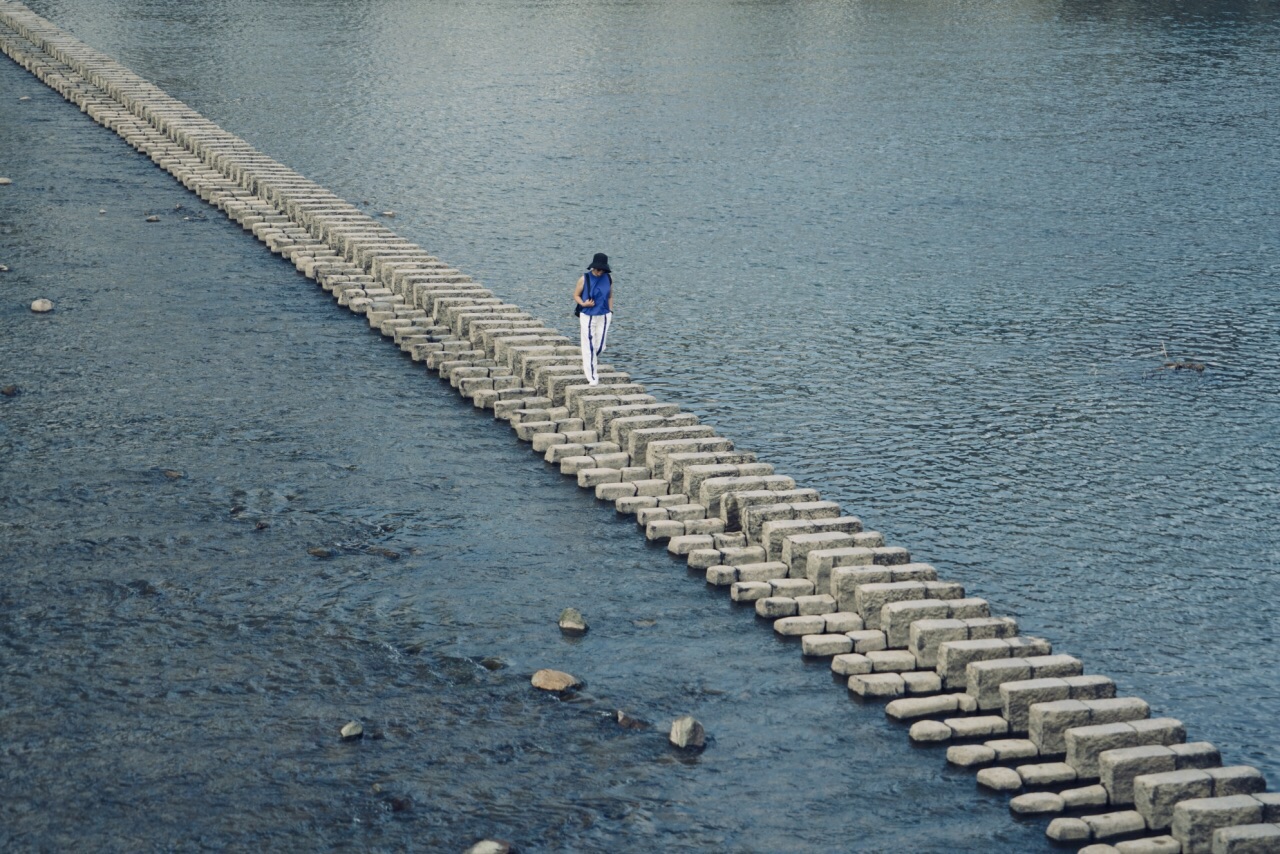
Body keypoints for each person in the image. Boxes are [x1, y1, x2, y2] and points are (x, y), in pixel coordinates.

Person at [574, 252, 613, 385]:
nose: (600, 272)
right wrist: (583, 304)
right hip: (588, 314)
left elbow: (610, 296)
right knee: (590, 346)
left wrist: (611, 311)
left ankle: (588, 360)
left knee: (600, 346)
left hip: (604, 314)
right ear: (593, 267)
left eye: (602, 269)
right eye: (598, 269)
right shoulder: (584, 278)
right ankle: (592, 377)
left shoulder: (608, 278)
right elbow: (576, 295)